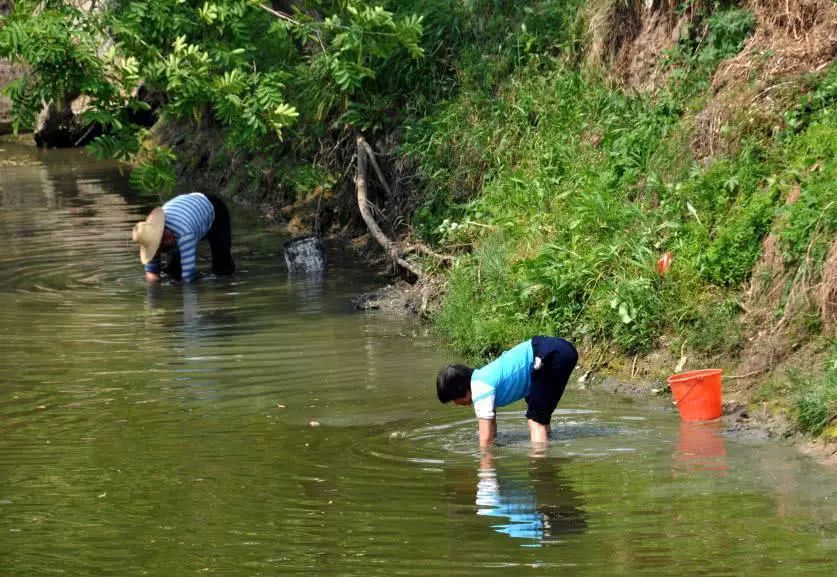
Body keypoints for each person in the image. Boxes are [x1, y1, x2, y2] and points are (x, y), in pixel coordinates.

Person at [436, 336, 578, 448]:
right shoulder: (483, 377)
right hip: (559, 349)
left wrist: (486, 472)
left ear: (461, 389)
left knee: (536, 421)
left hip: (547, 355)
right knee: (541, 415)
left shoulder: (480, 389)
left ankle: (540, 470)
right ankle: (546, 445)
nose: (456, 404)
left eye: (453, 399)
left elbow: (485, 440)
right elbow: (490, 427)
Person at [131, 192, 235, 283]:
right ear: (155, 250)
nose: (167, 240)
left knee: (222, 267)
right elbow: (151, 275)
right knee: (174, 272)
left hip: (213, 210)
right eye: (160, 243)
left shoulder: (184, 235)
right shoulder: (147, 238)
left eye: (163, 235)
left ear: (162, 226)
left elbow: (188, 277)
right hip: (188, 213)